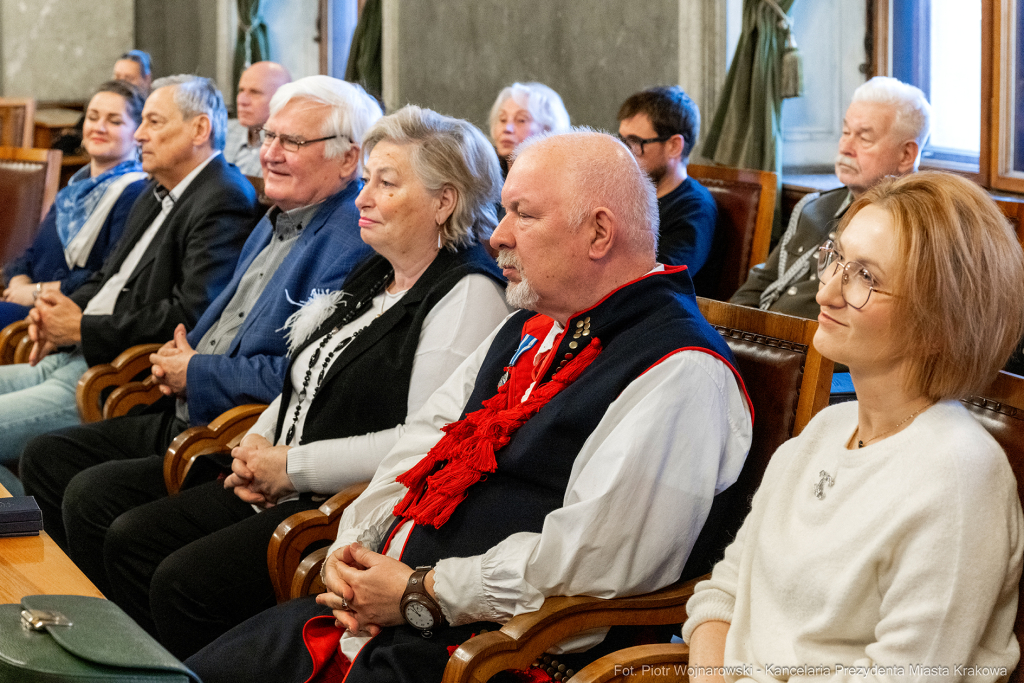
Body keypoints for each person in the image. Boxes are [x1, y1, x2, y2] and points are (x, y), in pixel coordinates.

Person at [186, 129, 752, 683]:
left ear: (599, 233)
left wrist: (420, 594)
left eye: (523, 215)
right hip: (395, 619)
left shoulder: (680, 369)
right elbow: (422, 442)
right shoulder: (531, 325)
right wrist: (353, 547)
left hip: (498, 654)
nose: (498, 236)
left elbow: (596, 561)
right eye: (504, 212)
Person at [62, 105, 512, 660]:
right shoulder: (379, 268)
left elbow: (420, 445)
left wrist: (287, 467)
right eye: (367, 179)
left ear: (445, 201)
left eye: (386, 183)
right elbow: (307, 368)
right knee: (125, 530)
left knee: (179, 579)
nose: (363, 198)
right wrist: (259, 435)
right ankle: (120, 662)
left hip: (340, 508)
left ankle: (163, 669)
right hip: (280, 475)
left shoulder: (467, 292)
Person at [684, 171, 1024, 681]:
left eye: (866, 276)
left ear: (940, 322)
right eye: (837, 259)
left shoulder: (959, 476)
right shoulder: (827, 428)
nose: (826, 292)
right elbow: (725, 592)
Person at [21, 75, 382, 555]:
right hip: (186, 404)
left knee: (96, 497)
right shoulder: (277, 215)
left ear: (349, 158)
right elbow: (209, 317)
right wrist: (180, 355)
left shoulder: (350, 242)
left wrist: (195, 369)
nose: (270, 153)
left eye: (290, 141)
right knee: (48, 457)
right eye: (268, 136)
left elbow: (304, 377)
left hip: (235, 431)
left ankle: (105, 617)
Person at [0, 75, 258, 466]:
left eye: (153, 122)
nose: (139, 135)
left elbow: (190, 318)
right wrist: (53, 311)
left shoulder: (223, 197)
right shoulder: (156, 190)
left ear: (199, 129)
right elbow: (107, 280)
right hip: (77, 356)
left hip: (121, 378)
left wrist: (82, 327)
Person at [730, 76, 930, 319]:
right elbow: (760, 283)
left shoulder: (914, 230)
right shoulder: (814, 207)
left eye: (864, 137)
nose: (845, 146)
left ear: (906, 155)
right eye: (845, 132)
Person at [1, 81, 148, 330]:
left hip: (67, 316)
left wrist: (35, 292)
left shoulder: (135, 192)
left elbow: (106, 276)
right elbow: (32, 251)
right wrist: (18, 281)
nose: (99, 127)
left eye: (114, 121)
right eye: (92, 117)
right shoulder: (74, 188)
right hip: (27, 302)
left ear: (138, 134)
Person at [617, 86, 718, 285]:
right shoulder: (627, 191)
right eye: (622, 141)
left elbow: (657, 281)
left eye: (635, 143)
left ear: (674, 146)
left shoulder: (695, 208)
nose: (625, 153)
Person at [223, 61, 292, 176]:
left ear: (281, 100)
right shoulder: (221, 132)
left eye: (255, 92)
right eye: (241, 90)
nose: (242, 101)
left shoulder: (290, 149)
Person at [488, 82, 570, 176]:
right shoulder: (485, 176)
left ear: (548, 129)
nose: (507, 129)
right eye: (503, 119)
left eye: (521, 120)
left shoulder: (563, 180)